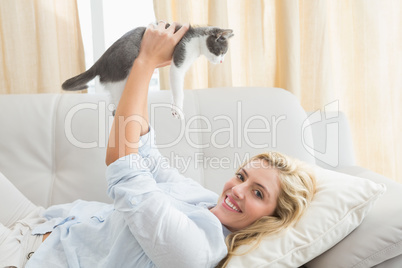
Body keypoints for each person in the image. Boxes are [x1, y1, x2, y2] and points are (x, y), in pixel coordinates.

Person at [0, 22, 316, 268]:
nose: (237, 189)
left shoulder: (194, 251)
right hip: (47, 221)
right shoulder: (206, 201)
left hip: (26, 256)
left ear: (272, 220)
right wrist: (140, 61)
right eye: (242, 176)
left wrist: (146, 63)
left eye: (258, 193)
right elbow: (147, 156)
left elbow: (124, 168)